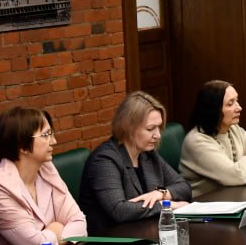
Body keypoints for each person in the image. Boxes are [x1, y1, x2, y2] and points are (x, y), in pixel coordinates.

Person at [0, 106, 88, 245]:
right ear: (22, 146)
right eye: (46, 135)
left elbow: (80, 223)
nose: (54, 141)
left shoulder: (46, 169)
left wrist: (47, 236)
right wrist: (56, 229)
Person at [81, 91, 192, 233]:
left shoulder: (148, 154)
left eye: (159, 127)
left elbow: (184, 187)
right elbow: (120, 210)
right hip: (112, 239)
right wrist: (167, 205)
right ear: (128, 128)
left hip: (145, 233)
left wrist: (161, 194)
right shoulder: (104, 160)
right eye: (150, 129)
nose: (158, 135)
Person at [180, 80, 246, 197]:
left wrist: (242, 170)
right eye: (230, 104)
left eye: (237, 101)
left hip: (234, 200)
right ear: (213, 109)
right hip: (205, 204)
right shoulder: (197, 141)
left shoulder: (234, 130)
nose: (239, 108)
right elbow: (237, 177)